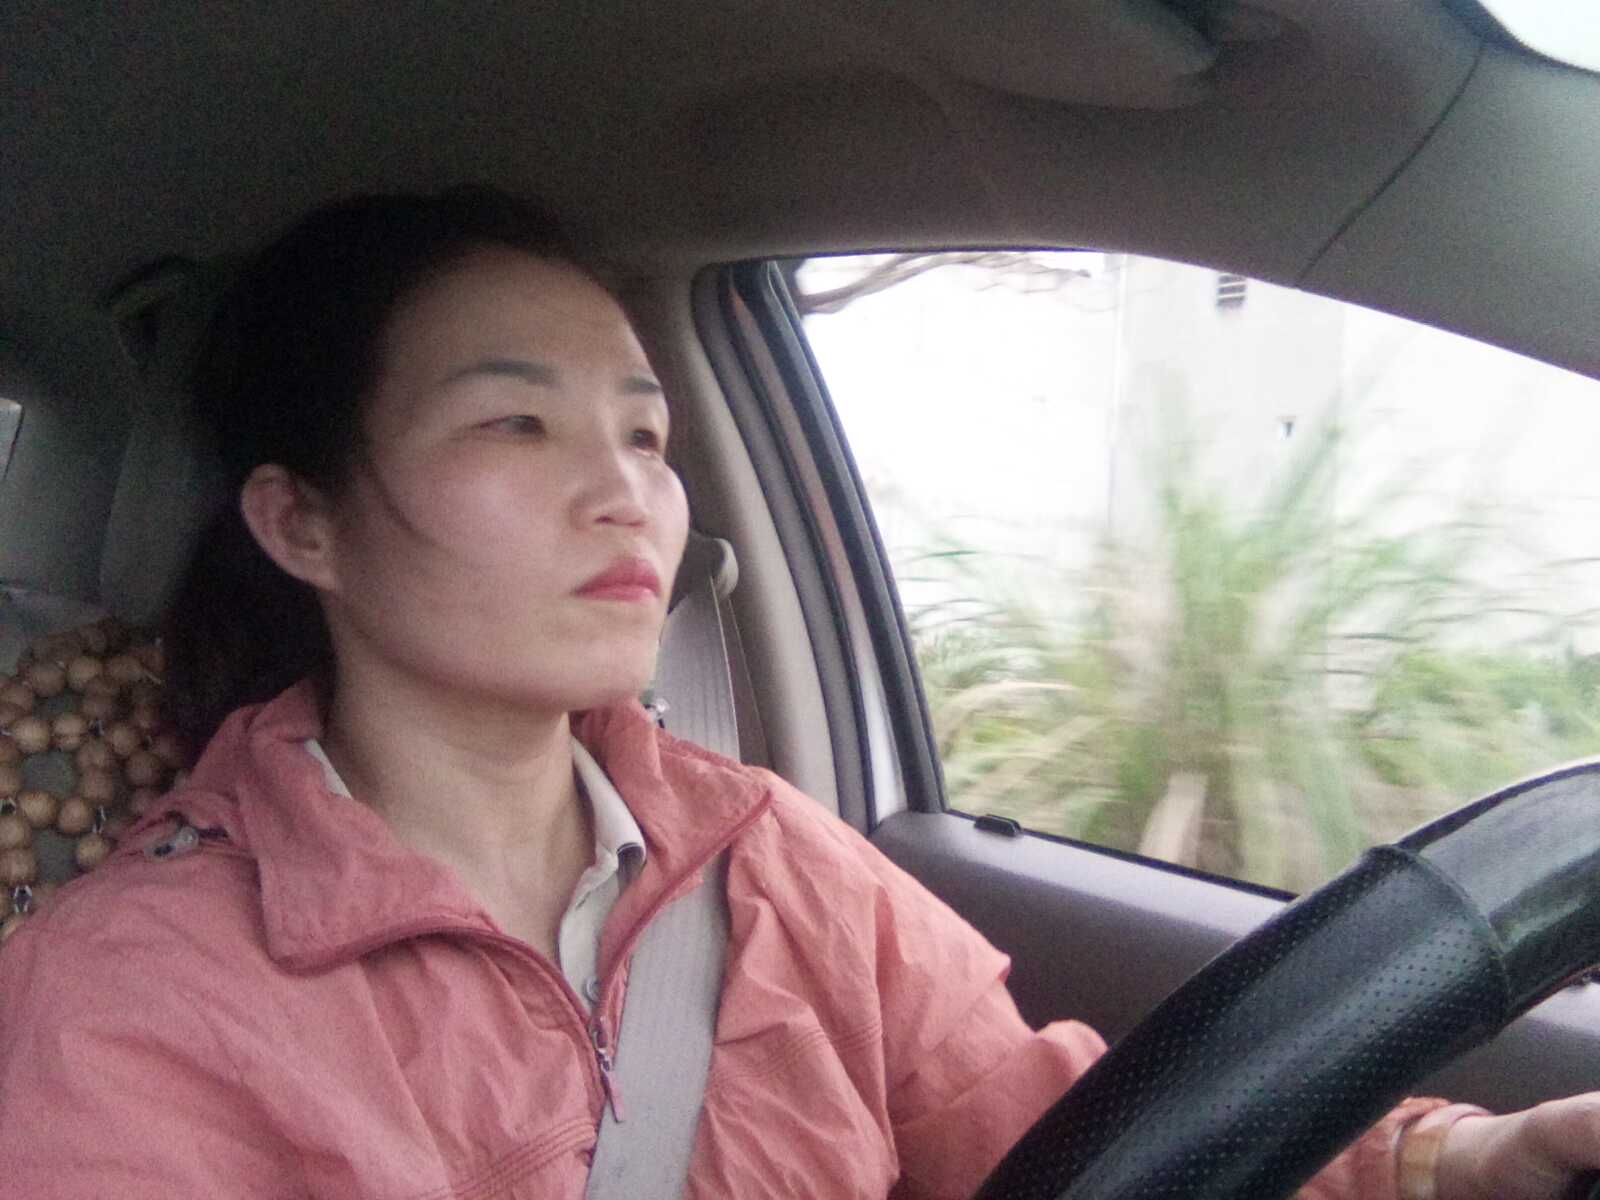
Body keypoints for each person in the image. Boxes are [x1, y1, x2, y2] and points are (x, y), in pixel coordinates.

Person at [0, 187, 1597, 1200]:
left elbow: (1078, 1135)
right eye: (515, 425)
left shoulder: (763, 854)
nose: (626, 493)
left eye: (644, 433)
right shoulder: (130, 999)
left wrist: (1452, 1166)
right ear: (302, 524)